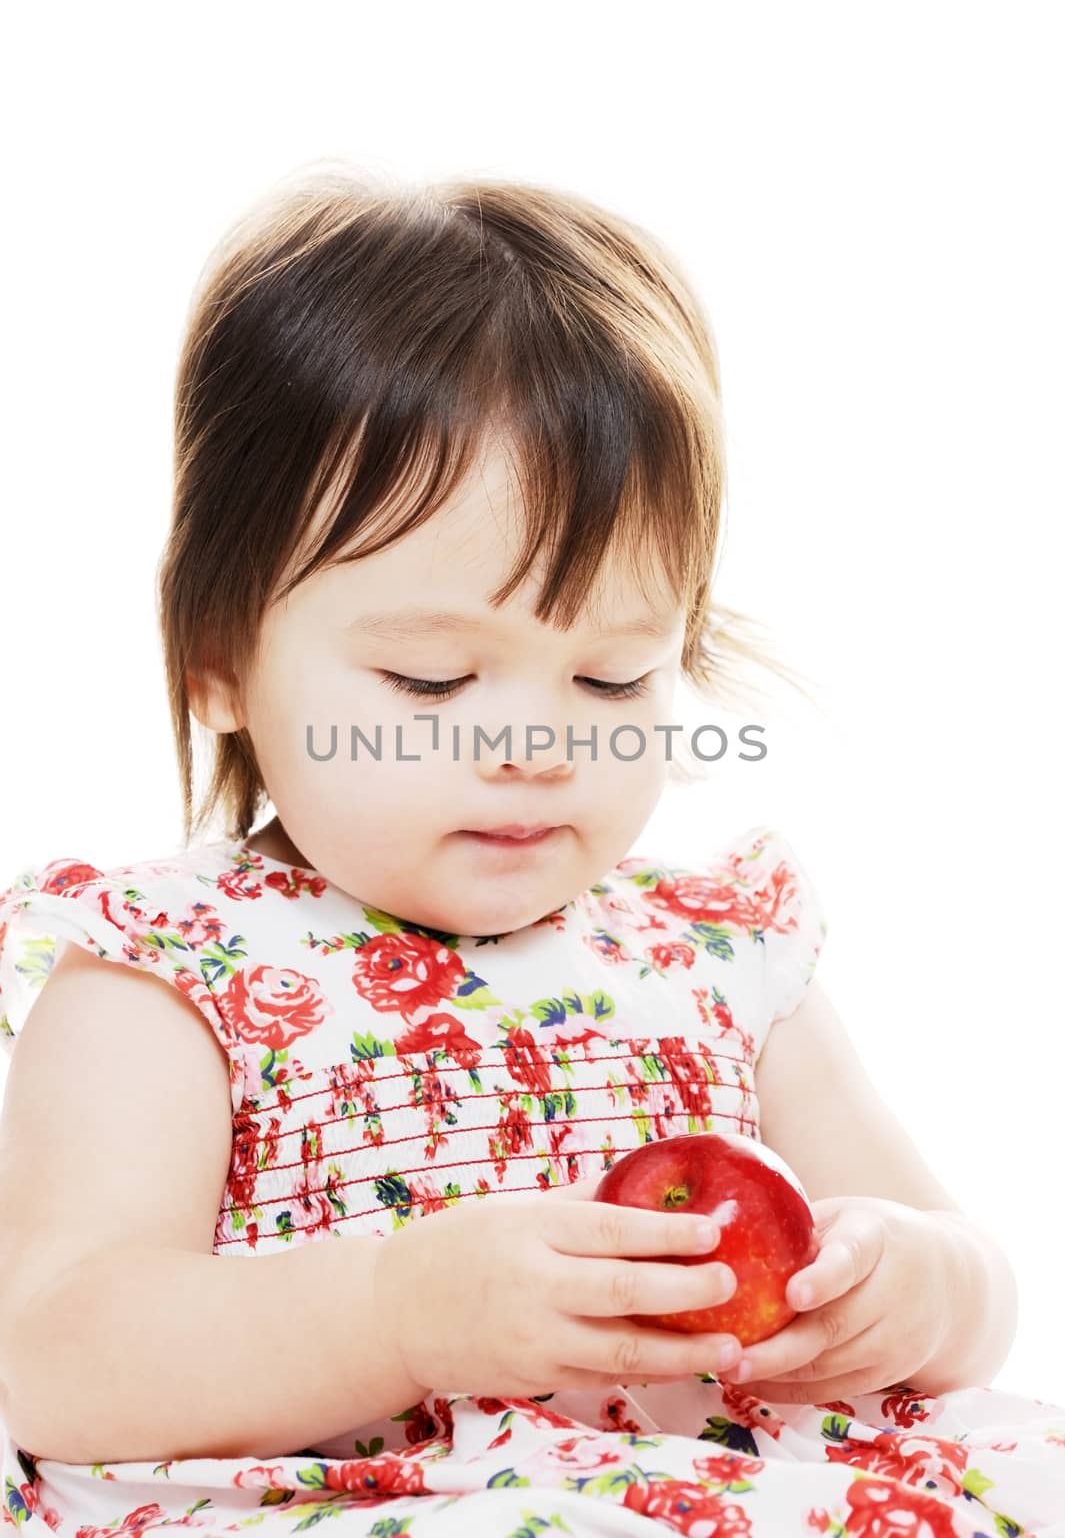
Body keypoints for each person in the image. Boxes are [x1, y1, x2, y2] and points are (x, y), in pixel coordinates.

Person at [0, 166, 1062, 1538]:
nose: (533, 745)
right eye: (433, 680)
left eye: (613, 679)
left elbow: (960, 1283)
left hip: (717, 1495)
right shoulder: (169, 974)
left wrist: (905, 1286)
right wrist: (402, 1314)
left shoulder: (719, 953)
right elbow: (60, 1360)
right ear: (217, 658)